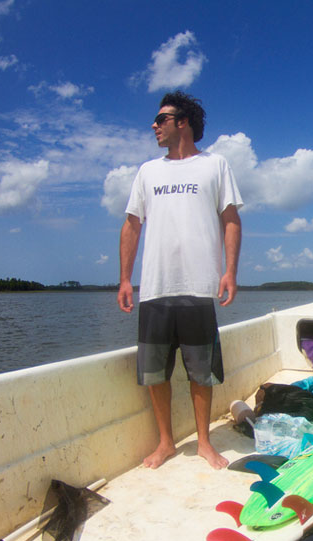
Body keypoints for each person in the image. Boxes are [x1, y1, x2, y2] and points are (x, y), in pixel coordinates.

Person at [118, 91, 243, 470]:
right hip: (155, 286)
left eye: (161, 119)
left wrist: (230, 272)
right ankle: (166, 443)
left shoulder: (215, 165)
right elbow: (132, 224)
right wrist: (125, 278)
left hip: (199, 284)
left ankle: (204, 442)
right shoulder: (147, 171)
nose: (154, 126)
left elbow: (231, 219)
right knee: (155, 372)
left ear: (182, 122)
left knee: (200, 370)